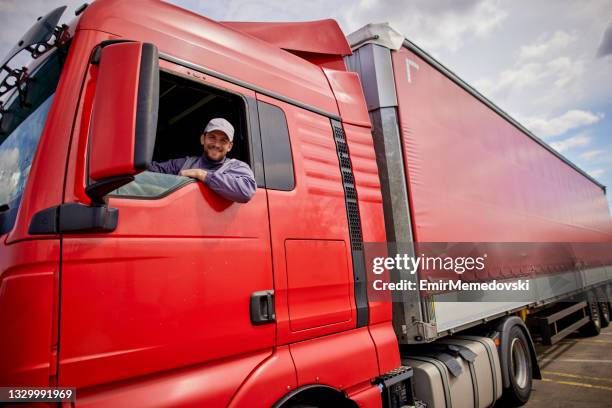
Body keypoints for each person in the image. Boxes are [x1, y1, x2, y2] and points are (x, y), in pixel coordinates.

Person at [148, 118, 256, 203]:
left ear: (229, 146)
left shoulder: (236, 166)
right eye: (212, 137)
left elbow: (246, 191)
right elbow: (151, 170)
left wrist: (201, 174)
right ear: (203, 139)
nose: (216, 144)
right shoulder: (185, 163)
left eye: (223, 140)